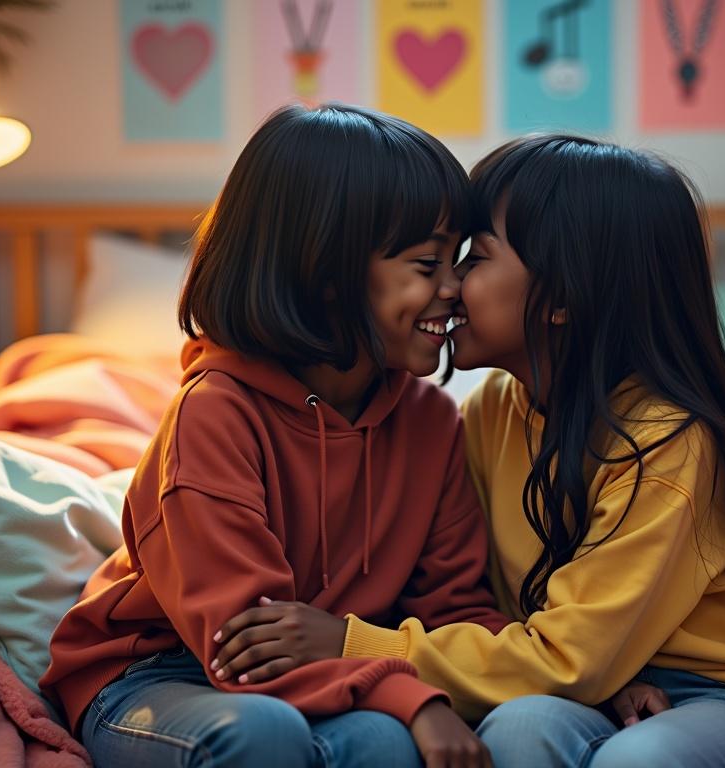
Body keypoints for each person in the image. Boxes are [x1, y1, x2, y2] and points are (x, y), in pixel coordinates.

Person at [213, 135, 725, 767]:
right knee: (516, 732)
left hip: (722, 692)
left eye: (475, 259)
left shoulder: (667, 444)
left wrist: (353, 644)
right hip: (589, 678)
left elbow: (571, 658)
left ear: (564, 299)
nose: (451, 286)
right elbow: (486, 601)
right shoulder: (491, 414)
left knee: (638, 764)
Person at [40, 103, 509, 768]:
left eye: (457, 262)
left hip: (329, 672)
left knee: (383, 745)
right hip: (160, 673)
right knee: (260, 735)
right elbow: (242, 639)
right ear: (325, 278)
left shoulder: (432, 423)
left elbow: (456, 611)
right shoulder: (216, 413)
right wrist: (415, 701)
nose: (456, 289)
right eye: (428, 264)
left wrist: (566, 678)